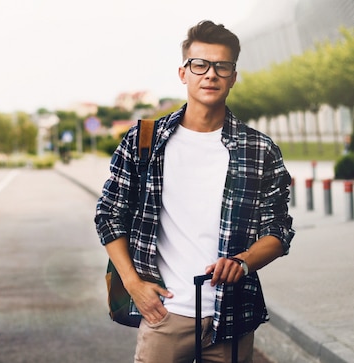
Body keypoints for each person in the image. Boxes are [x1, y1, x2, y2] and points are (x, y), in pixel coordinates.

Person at [94, 20, 295, 363]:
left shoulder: (258, 150)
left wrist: (243, 262)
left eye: (222, 66)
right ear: (183, 73)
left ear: (233, 76)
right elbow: (109, 214)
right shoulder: (145, 140)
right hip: (166, 314)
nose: (210, 74)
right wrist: (133, 284)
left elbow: (278, 230)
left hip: (232, 316)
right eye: (199, 65)